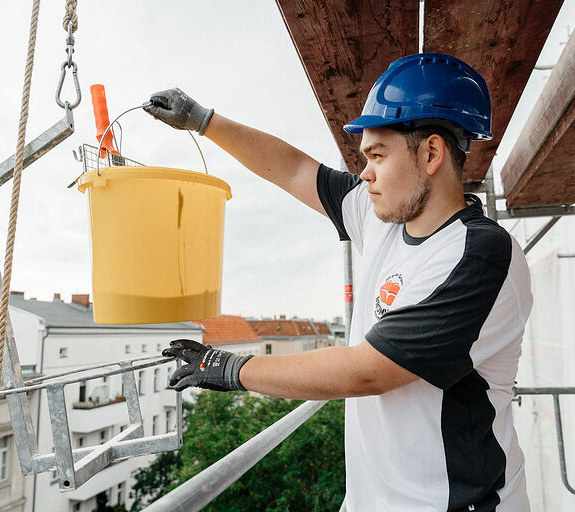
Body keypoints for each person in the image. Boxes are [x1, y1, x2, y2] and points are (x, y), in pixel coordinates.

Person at [144, 53, 532, 512]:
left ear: (430, 153)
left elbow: (369, 370)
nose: (364, 173)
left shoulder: (479, 254)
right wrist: (203, 120)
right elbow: (293, 170)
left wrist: (234, 369)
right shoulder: (381, 216)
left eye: (377, 155)